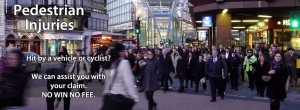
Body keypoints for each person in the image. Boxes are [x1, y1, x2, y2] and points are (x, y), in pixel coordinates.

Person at [101, 43, 139, 110]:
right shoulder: (124, 63)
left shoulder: (108, 63)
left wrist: (103, 101)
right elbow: (129, 82)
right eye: (123, 51)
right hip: (121, 99)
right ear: (120, 52)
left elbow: (107, 85)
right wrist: (134, 98)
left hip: (109, 99)